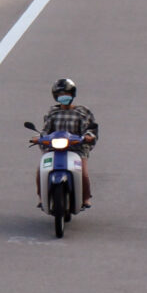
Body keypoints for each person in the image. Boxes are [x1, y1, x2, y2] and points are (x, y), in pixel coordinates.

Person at [36, 77, 98, 208]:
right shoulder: (53, 112)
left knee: (83, 173)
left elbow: (90, 129)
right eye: (60, 95)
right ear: (55, 96)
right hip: (54, 148)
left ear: (73, 94)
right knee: (40, 170)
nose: (63, 97)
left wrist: (88, 136)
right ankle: (42, 198)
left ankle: (86, 197)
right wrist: (39, 137)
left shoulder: (82, 112)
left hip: (76, 148)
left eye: (66, 94)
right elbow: (45, 130)